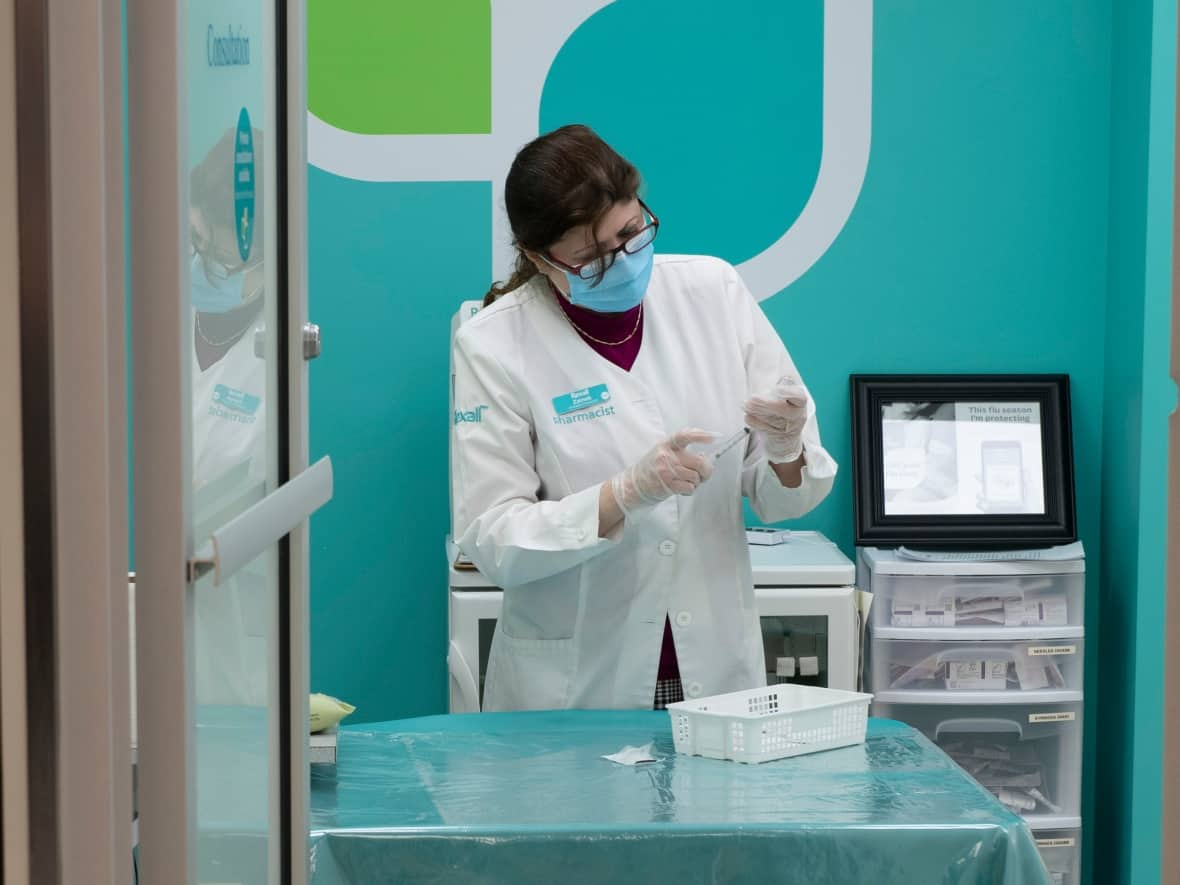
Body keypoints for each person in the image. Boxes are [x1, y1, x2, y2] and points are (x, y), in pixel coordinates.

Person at [451, 124, 837, 711]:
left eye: (632, 232)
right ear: (538, 257)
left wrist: (786, 450)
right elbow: (493, 540)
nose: (624, 261)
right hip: (576, 687)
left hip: (714, 667)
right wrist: (620, 496)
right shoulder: (494, 343)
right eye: (591, 257)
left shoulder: (712, 291)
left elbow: (783, 495)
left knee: (713, 800)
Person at [189, 127, 270, 706]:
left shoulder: (287, 352)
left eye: (225, 255)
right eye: (198, 244)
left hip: (234, 615)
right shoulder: (146, 316)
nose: (207, 266)